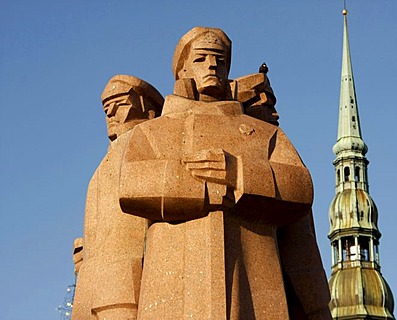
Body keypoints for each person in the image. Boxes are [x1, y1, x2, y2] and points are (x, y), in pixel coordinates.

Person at [118, 27, 331, 319]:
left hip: (254, 281)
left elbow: (301, 186)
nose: (212, 66)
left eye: (220, 60)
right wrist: (202, 187)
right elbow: (130, 184)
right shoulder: (152, 132)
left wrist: (239, 174)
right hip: (172, 286)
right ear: (182, 70)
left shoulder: (265, 134)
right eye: (201, 59)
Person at [71, 75, 164, 320]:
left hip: (125, 280)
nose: (111, 114)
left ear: (149, 110)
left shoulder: (149, 146)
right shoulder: (105, 160)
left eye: (120, 104)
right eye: (106, 108)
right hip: (92, 283)